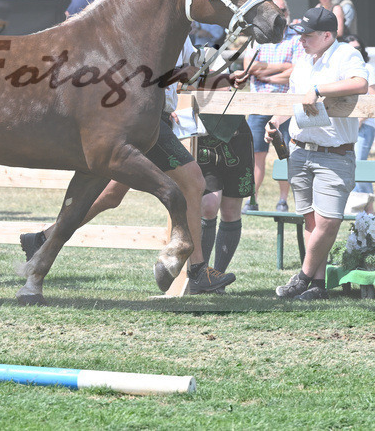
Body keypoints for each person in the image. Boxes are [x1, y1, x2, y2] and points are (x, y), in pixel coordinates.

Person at [20, 37, 239, 295]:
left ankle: (43, 239)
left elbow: (189, 75)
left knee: (111, 195)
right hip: (143, 121)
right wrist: (178, 76)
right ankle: (197, 269)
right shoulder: (156, 24)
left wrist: (224, 80)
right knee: (193, 182)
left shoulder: (184, 34)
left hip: (155, 120)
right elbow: (147, 74)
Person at [267, 6, 368, 300]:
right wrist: (275, 121)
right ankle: (318, 286)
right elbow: (291, 99)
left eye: (307, 35)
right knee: (310, 220)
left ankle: (302, 277)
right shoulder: (302, 61)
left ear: (327, 35)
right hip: (300, 150)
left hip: (334, 153)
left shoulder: (347, 54)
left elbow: (360, 84)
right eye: (301, 35)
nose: (301, 40)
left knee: (328, 221)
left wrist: (318, 88)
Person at [242, 0, 301, 212]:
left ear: (287, 13)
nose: (280, 14)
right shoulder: (258, 36)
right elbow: (249, 66)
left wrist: (266, 73)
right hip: (259, 106)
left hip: (285, 106)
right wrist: (282, 67)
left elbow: (296, 71)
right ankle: (252, 199)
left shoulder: (296, 38)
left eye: (282, 10)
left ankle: (283, 200)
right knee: (255, 156)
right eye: (276, 10)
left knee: (285, 155)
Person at [197, 111, 254, 279]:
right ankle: (201, 274)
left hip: (237, 138)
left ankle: (218, 275)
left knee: (230, 212)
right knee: (208, 206)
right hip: (201, 138)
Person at [342, 34, 375, 213]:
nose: (356, 52)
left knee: (359, 165)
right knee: (352, 166)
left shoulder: (368, 68)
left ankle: (367, 211)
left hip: (363, 126)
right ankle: (362, 209)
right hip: (346, 125)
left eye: (359, 49)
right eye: (351, 49)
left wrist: (358, 121)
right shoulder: (343, 70)